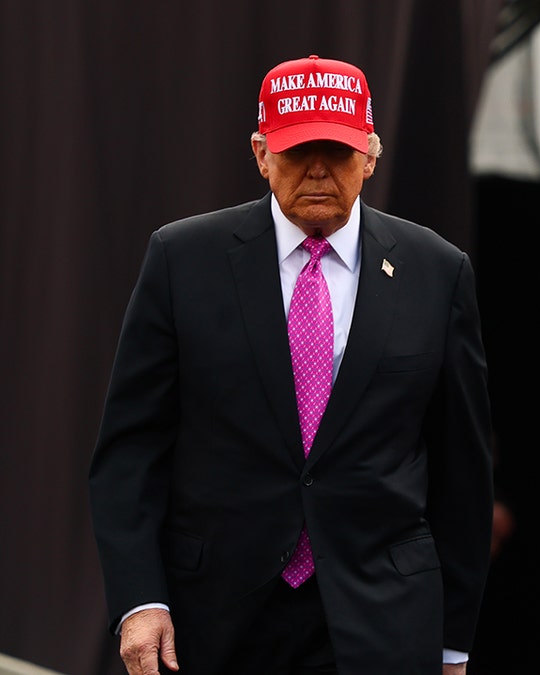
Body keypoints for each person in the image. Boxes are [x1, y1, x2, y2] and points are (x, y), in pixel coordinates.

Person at [88, 55, 494, 675]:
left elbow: (463, 471)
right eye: (299, 149)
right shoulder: (183, 260)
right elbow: (129, 451)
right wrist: (140, 601)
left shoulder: (437, 272)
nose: (318, 169)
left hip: (383, 621)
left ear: (371, 156)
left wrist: (453, 644)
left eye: (337, 150)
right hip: (217, 618)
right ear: (261, 153)